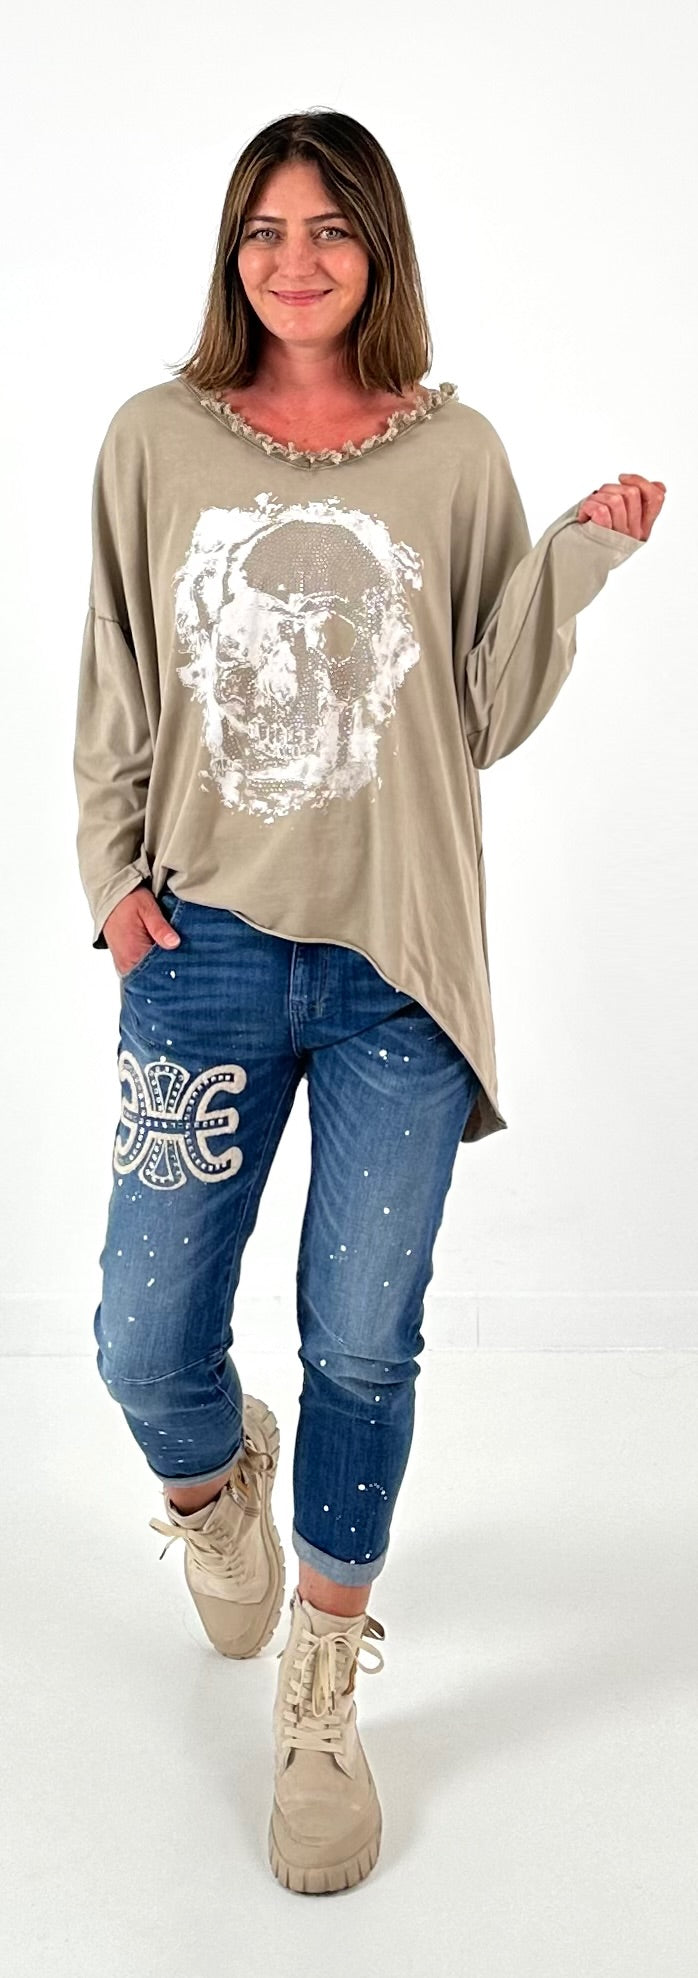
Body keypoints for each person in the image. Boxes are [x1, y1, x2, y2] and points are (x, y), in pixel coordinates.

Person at [72, 108, 665, 1898]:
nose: (295, 259)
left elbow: (477, 706)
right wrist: (109, 881)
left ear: (378, 247)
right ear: (231, 252)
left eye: (329, 228)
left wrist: (572, 558)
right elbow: (117, 664)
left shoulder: (451, 450)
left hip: (399, 964)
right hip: (202, 945)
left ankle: (322, 1686)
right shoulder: (156, 438)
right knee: (141, 1339)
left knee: (360, 1339)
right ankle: (215, 1490)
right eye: (264, 229)